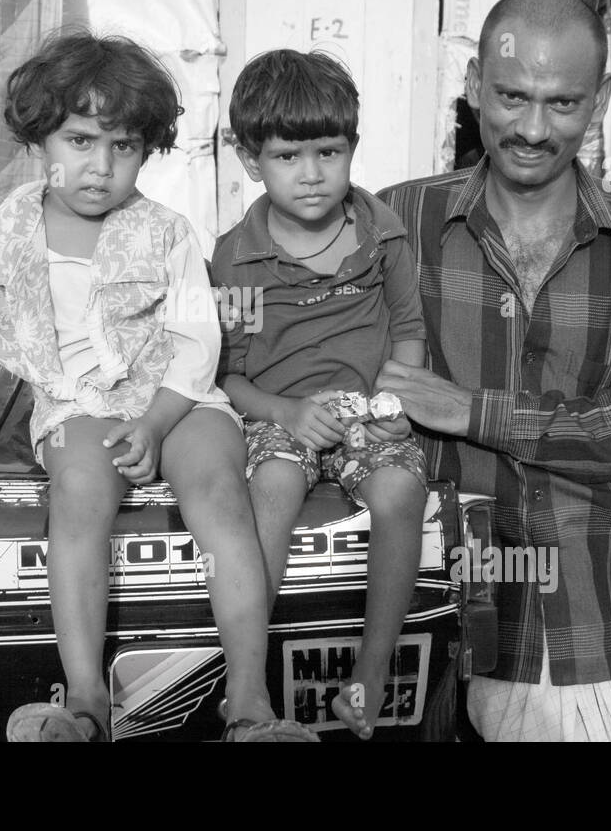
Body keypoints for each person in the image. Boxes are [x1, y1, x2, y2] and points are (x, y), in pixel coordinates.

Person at [0, 31, 315, 743]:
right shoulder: (4, 235)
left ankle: (249, 701)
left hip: (179, 399)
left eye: (123, 147)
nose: (100, 167)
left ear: (146, 151)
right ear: (41, 142)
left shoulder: (166, 232)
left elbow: (196, 342)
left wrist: (154, 425)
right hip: (78, 404)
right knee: (80, 491)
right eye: (81, 141)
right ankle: (89, 700)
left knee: (219, 490)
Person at [375, 0, 611, 741]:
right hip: (434, 605)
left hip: (606, 615)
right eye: (511, 97)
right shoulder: (396, 223)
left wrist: (472, 411)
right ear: (472, 86)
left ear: (601, 100)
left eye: (562, 103)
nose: (532, 129)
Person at [211, 49, 432, 740]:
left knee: (401, 492)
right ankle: (245, 692)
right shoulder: (236, 257)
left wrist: (390, 408)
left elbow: (408, 331)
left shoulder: (381, 234)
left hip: (367, 411)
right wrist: (288, 415)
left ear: (352, 149)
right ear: (251, 160)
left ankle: (366, 681)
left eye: (328, 152)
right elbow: (230, 376)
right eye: (286, 156)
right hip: (282, 416)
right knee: (274, 484)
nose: (311, 174)